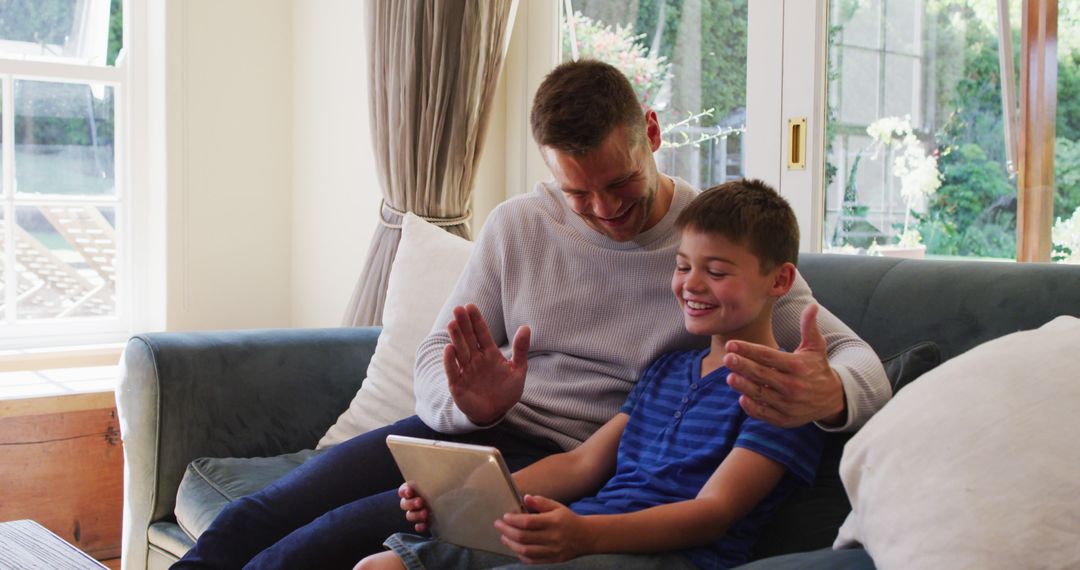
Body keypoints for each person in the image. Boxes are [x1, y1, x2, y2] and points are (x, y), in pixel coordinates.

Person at [174, 60, 889, 570]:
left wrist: (829, 396)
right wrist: (471, 406)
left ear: (651, 132)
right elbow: (433, 360)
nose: (605, 210)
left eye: (621, 184)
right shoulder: (518, 227)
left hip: (565, 461)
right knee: (263, 513)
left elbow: (851, 360)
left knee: (329, 539)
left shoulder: (710, 243)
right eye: (579, 193)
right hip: (472, 434)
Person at [357, 180, 824, 570]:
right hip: (583, 533)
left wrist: (584, 535)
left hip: (664, 555)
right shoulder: (666, 370)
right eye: (682, 266)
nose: (691, 285)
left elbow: (712, 513)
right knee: (379, 566)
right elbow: (580, 464)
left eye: (717, 272)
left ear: (779, 281)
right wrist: (461, 497)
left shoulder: (783, 397)